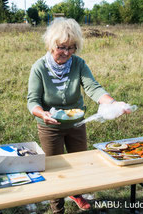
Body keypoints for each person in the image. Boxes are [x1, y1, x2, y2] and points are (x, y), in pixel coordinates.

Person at [27, 18, 131, 213]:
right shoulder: (39, 68)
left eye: (72, 47)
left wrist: (113, 103)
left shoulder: (79, 64)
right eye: (62, 47)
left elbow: (93, 88)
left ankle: (76, 193)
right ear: (51, 44)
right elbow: (32, 101)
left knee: (80, 163)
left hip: (76, 124)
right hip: (50, 126)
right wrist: (42, 114)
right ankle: (57, 207)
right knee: (54, 169)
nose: (67, 53)